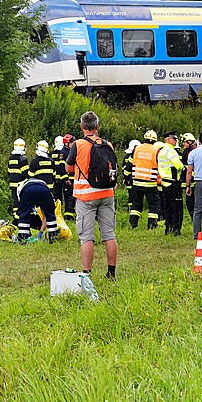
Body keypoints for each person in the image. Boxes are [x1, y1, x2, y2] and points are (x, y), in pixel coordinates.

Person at [65, 110, 118, 279]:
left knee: (86, 237)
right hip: (107, 192)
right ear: (97, 126)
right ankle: (111, 272)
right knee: (109, 234)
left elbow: (68, 168)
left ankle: (87, 274)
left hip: (85, 196)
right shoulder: (107, 144)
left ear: (82, 127)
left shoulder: (78, 145)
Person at [130, 130, 161, 229]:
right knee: (153, 205)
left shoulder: (137, 149)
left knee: (136, 204)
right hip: (150, 183)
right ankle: (152, 225)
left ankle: (133, 224)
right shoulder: (156, 150)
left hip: (137, 181)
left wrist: (127, 177)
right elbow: (160, 165)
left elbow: (129, 163)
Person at [16, 178, 59, 243]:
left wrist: (40, 232)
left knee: (24, 214)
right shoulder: (44, 186)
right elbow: (46, 215)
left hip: (28, 190)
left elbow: (22, 208)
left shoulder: (20, 188)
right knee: (50, 213)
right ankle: (53, 236)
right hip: (43, 189)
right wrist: (41, 232)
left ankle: (23, 237)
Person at [158, 131, 185, 235]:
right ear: (168, 139)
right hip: (173, 182)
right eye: (174, 138)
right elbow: (179, 166)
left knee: (167, 207)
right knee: (176, 207)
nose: (176, 141)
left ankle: (167, 228)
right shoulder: (171, 151)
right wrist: (183, 168)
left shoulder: (161, 151)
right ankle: (175, 229)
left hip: (165, 183)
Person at [7, 138, 29, 224]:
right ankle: (19, 217)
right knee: (21, 201)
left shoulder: (11, 158)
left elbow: (9, 172)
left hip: (13, 184)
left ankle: (15, 216)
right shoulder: (22, 159)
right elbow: (25, 173)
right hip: (21, 184)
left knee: (15, 201)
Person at [181, 133, 197, 218]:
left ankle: (194, 218)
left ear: (190, 142)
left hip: (192, 180)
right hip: (190, 179)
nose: (183, 144)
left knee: (191, 202)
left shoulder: (192, 151)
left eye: (185, 142)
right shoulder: (188, 150)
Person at [61, 134, 76, 220]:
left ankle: (71, 214)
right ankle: (68, 216)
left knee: (72, 197)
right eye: (71, 142)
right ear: (66, 143)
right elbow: (62, 168)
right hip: (67, 180)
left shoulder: (69, 152)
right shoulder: (64, 153)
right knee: (69, 197)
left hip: (72, 178)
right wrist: (66, 179)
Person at [123, 139, 140, 215]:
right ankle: (134, 209)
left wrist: (125, 178)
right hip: (135, 178)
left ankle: (130, 209)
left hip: (129, 179)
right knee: (135, 196)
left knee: (131, 195)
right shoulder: (137, 157)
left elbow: (124, 168)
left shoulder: (126, 157)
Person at [51, 136, 67, 210]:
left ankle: (58, 210)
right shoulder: (64, 153)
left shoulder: (50, 154)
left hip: (54, 179)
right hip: (63, 177)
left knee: (57, 196)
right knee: (67, 195)